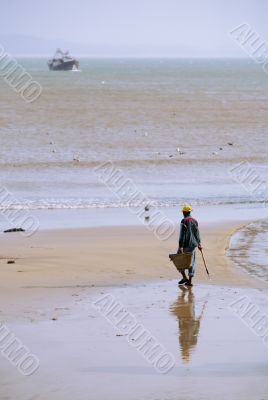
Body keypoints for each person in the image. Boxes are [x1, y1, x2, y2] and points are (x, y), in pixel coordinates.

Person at [177, 204, 202, 286]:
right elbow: (197, 233)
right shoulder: (195, 221)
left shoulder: (184, 221)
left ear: (184, 212)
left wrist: (180, 246)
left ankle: (184, 277)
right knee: (191, 263)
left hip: (185, 245)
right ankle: (190, 281)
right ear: (190, 212)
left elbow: (182, 234)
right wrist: (199, 244)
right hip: (193, 245)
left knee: (179, 262)